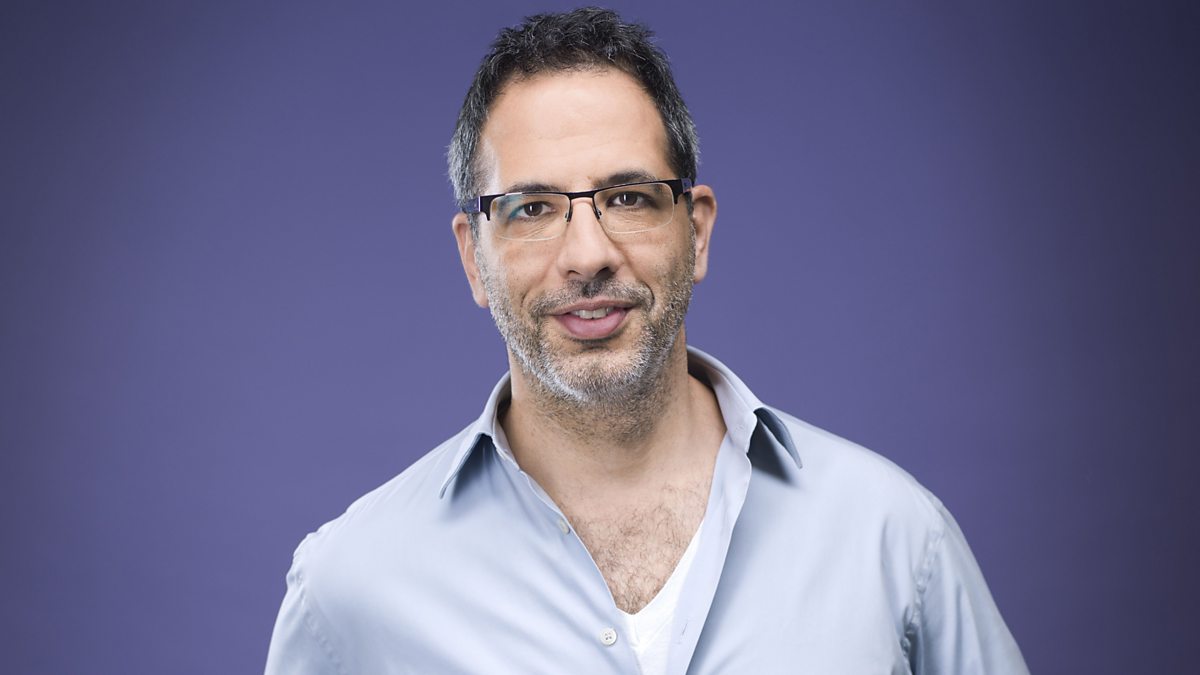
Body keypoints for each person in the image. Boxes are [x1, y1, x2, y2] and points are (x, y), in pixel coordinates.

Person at [265, 7, 1028, 674]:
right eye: (532, 208)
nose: (587, 255)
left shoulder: (894, 539)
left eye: (627, 197)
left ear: (696, 232)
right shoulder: (351, 587)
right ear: (474, 258)